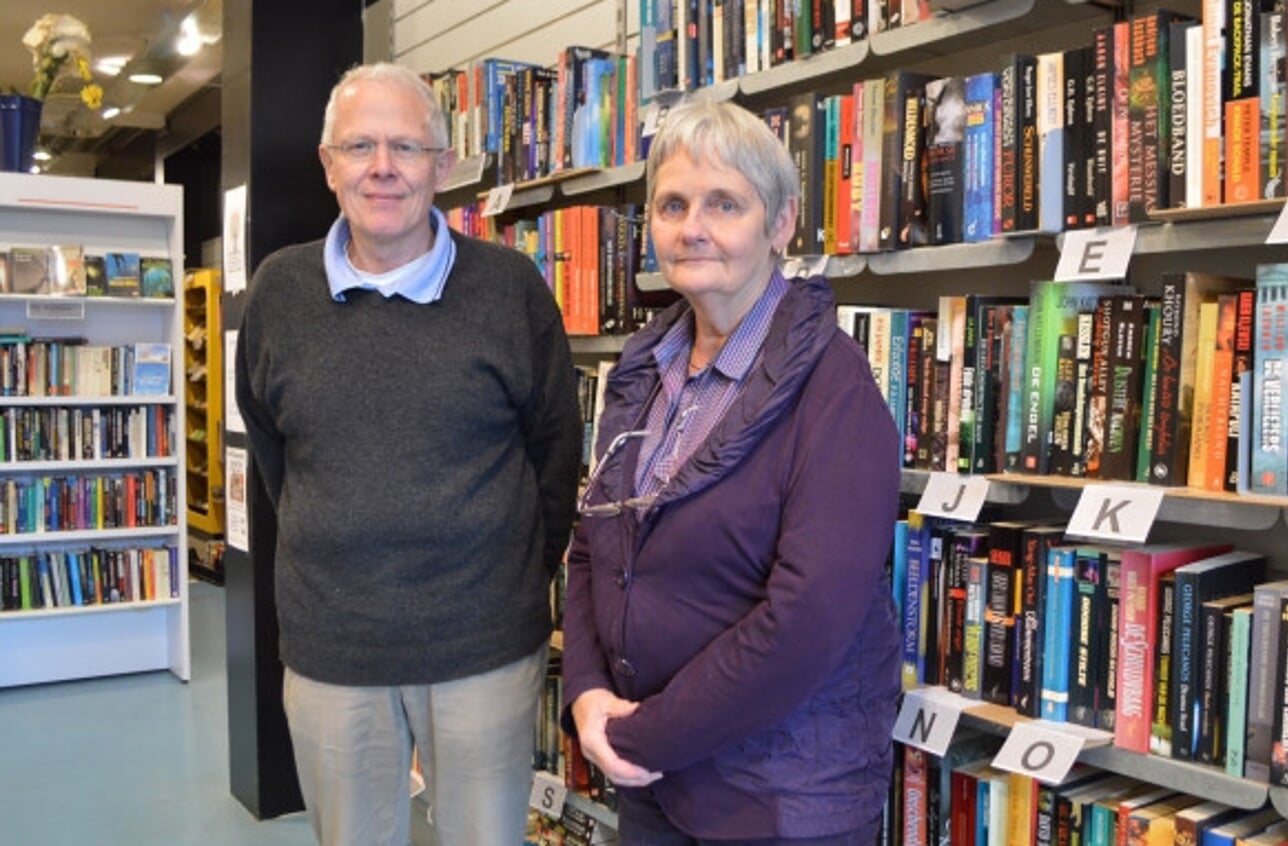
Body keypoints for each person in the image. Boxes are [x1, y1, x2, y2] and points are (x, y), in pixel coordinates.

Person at [233, 62, 581, 846]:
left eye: (406, 147)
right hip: (332, 648)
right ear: (329, 165)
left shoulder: (510, 288)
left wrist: (517, 571)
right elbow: (273, 451)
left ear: (442, 164)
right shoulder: (277, 294)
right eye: (359, 146)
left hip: (483, 644)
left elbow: (557, 449)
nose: (382, 168)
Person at [562, 99, 902, 845]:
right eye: (673, 204)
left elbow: (807, 617)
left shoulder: (835, 390)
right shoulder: (643, 371)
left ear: (780, 225)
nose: (693, 228)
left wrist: (645, 736)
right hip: (655, 779)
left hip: (776, 797)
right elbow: (594, 543)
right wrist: (586, 691)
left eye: (726, 204)